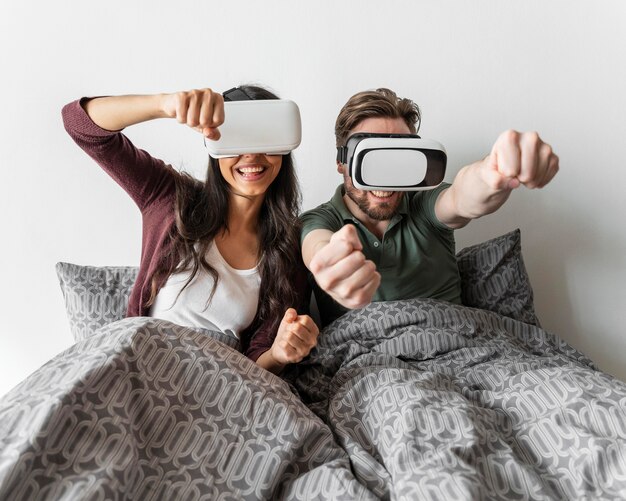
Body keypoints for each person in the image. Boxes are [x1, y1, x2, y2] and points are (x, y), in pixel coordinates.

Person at [62, 86, 319, 374]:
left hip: (219, 384)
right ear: (213, 145)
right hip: (142, 367)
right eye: (237, 139)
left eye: (266, 138)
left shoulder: (289, 250)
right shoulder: (170, 198)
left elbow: (258, 359)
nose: (252, 154)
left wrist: (279, 353)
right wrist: (165, 104)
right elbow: (79, 124)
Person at [301, 88, 559, 326]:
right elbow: (316, 246)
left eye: (398, 158)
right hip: (368, 360)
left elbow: (462, 197)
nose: (385, 178)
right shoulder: (320, 220)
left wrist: (496, 170)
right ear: (341, 161)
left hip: (460, 344)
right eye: (371, 158)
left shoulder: (423, 203)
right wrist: (330, 263)